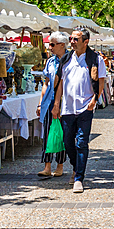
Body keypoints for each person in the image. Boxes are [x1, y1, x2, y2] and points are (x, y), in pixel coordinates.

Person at [51, 28, 107, 193]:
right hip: (67, 108)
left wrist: (95, 99)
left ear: (85, 41)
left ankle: (78, 178)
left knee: (82, 142)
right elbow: (59, 82)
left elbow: (101, 82)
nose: (72, 41)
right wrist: (56, 103)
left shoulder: (95, 59)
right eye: (71, 38)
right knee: (68, 142)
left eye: (76, 39)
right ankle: (76, 167)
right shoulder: (66, 59)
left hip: (85, 107)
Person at [38, 32, 69, 177]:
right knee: (47, 134)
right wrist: (40, 104)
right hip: (48, 102)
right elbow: (46, 83)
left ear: (62, 45)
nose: (49, 47)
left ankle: (60, 165)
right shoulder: (50, 61)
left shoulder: (70, 59)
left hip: (65, 102)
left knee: (61, 133)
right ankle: (47, 166)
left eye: (52, 44)